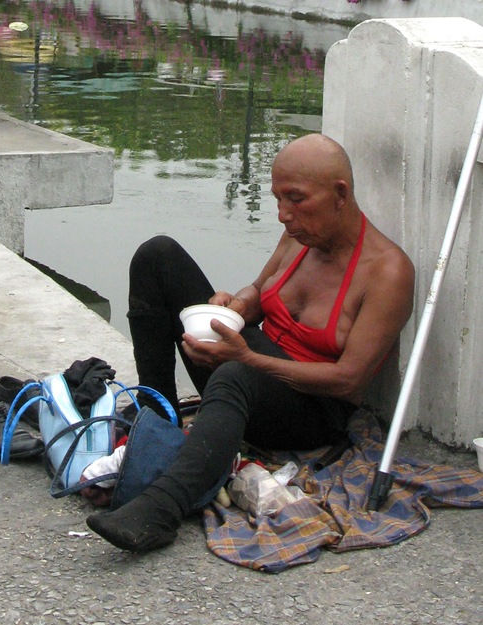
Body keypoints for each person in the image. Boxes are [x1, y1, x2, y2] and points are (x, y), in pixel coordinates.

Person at [86, 133, 415, 552]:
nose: (283, 215)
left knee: (235, 374)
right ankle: (158, 419)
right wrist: (235, 307)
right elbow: (260, 292)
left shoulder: (388, 272)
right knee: (157, 255)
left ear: (340, 194)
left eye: (295, 199)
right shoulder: (300, 235)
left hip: (311, 409)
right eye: (277, 199)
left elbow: (349, 380)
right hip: (248, 367)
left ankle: (161, 509)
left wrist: (247, 359)